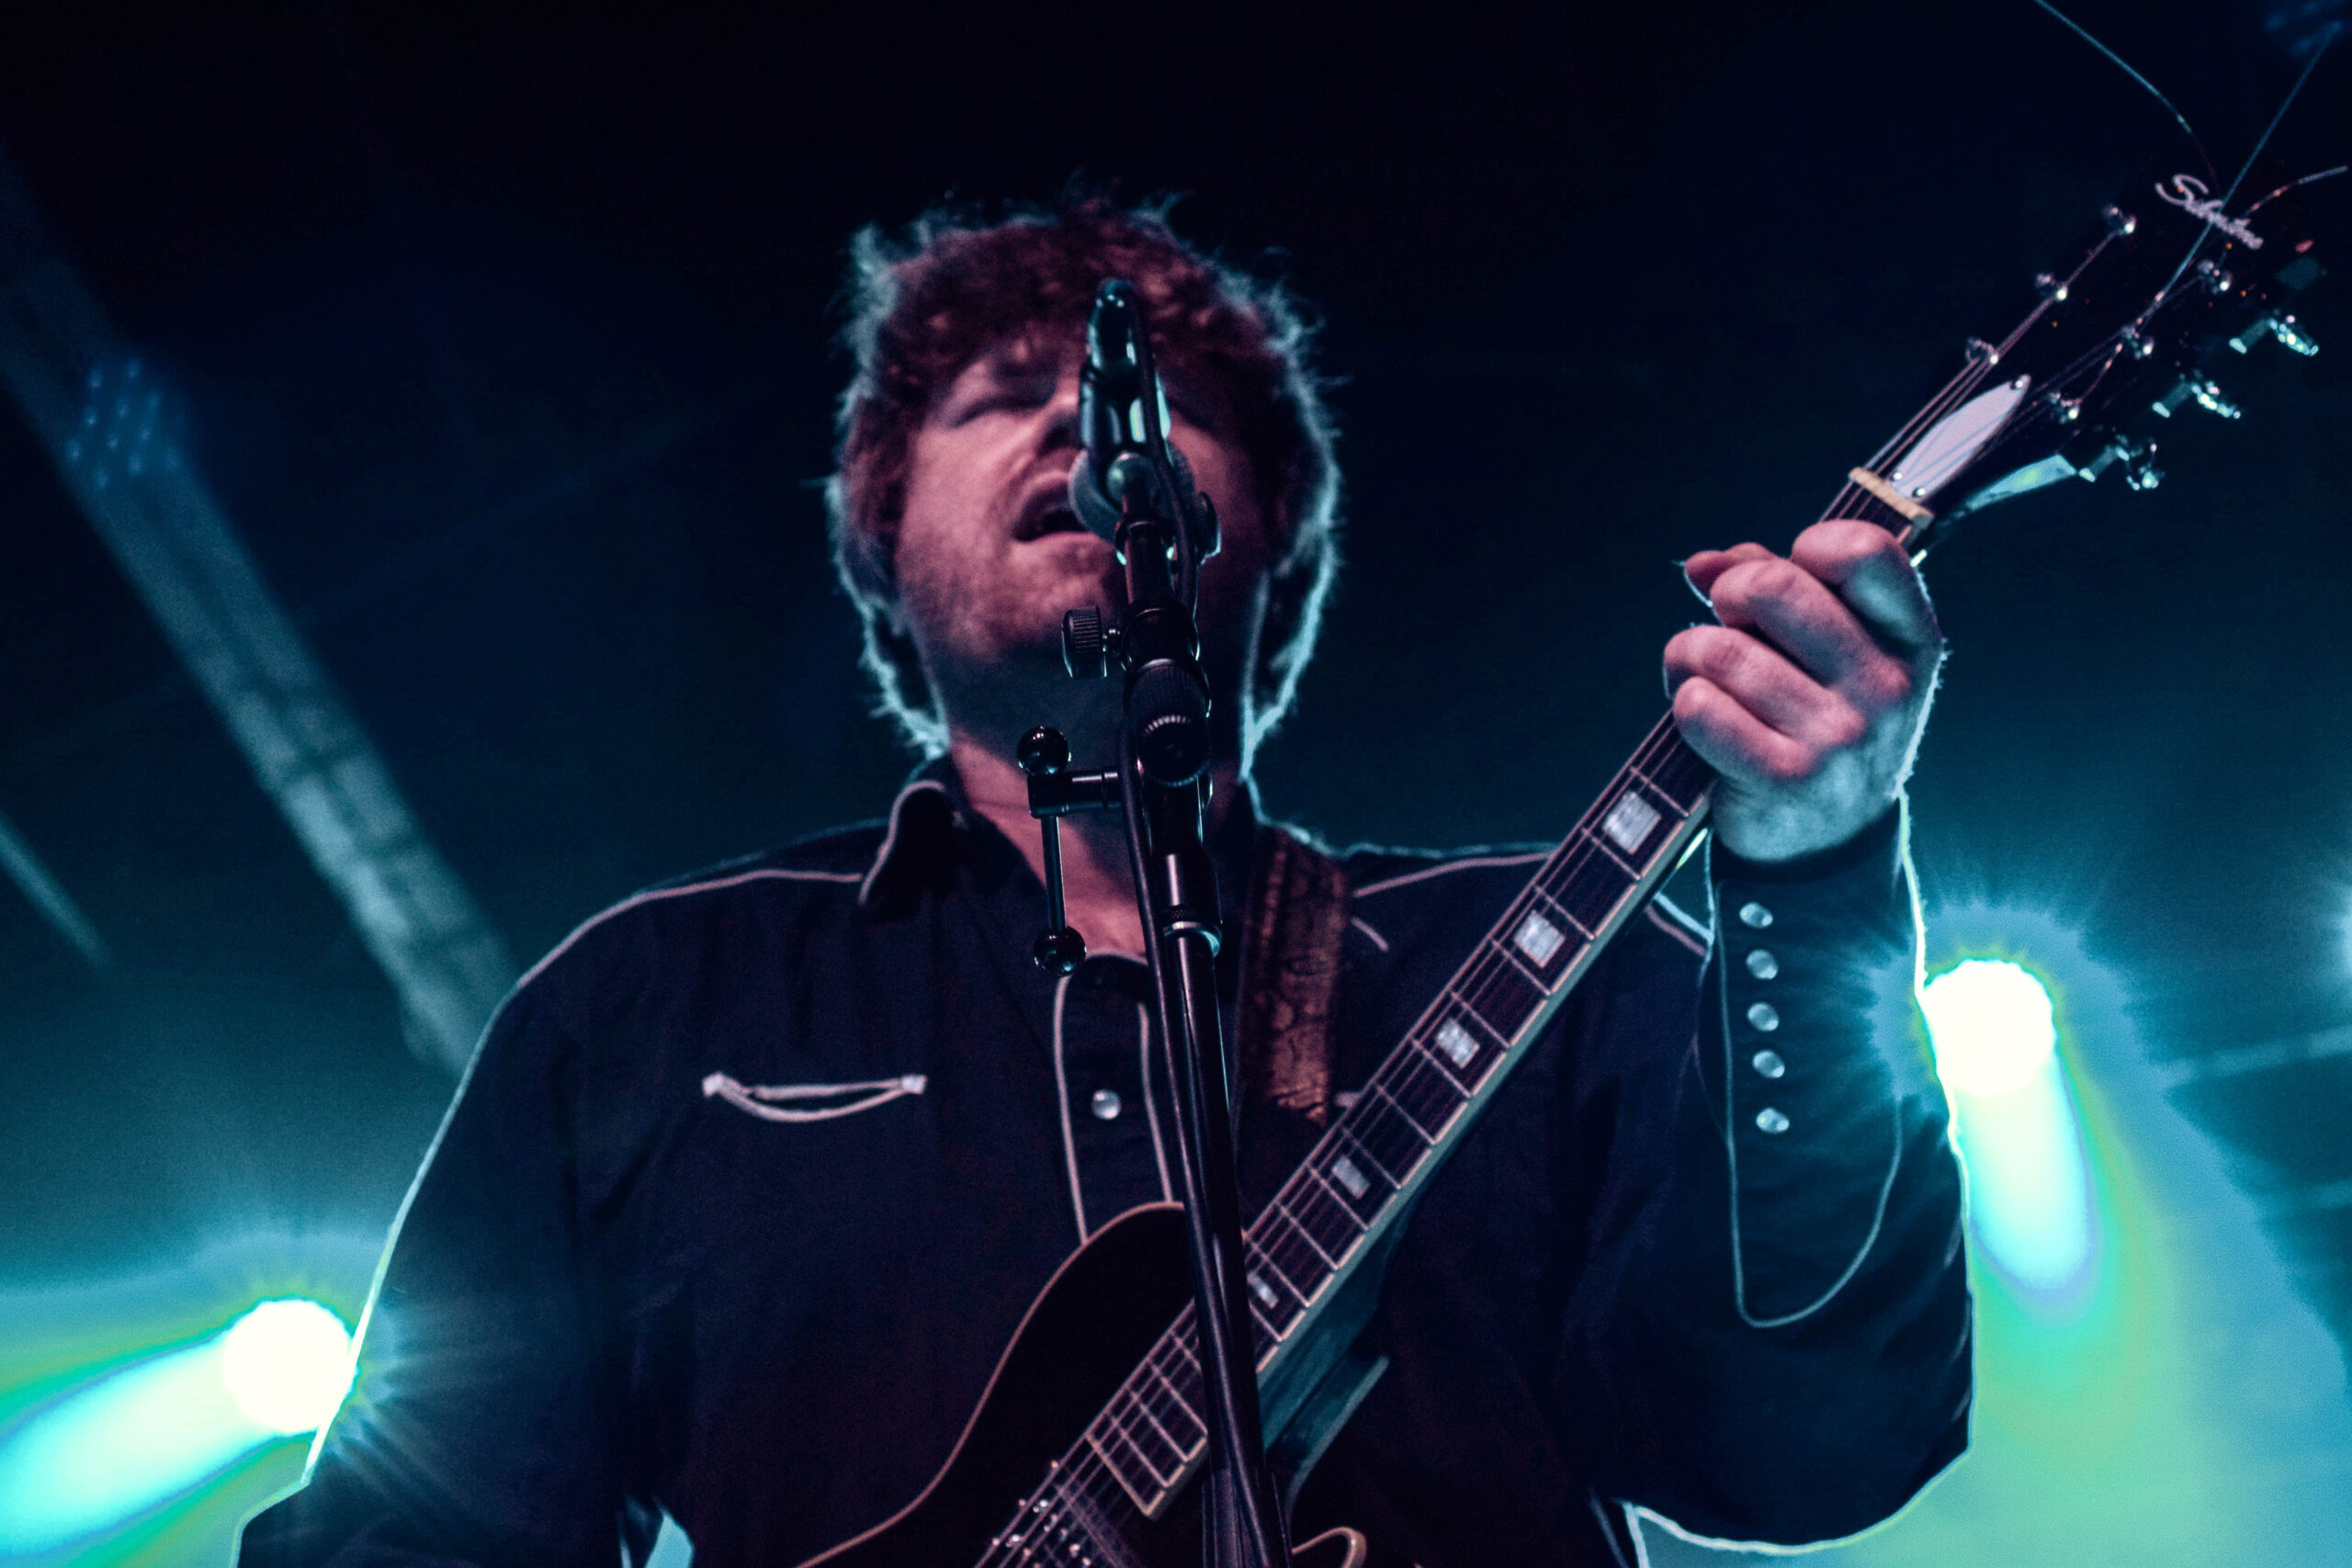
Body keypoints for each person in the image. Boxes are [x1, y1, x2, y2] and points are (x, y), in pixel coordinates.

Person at [240, 199, 1969, 1568]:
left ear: (1270, 547)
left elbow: (1810, 1450)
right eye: (999, 398)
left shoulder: (1535, 965)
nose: (1084, 412)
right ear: (879, 545)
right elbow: (408, 1543)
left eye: (1173, 408)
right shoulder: (649, 1007)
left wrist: (1816, 880)